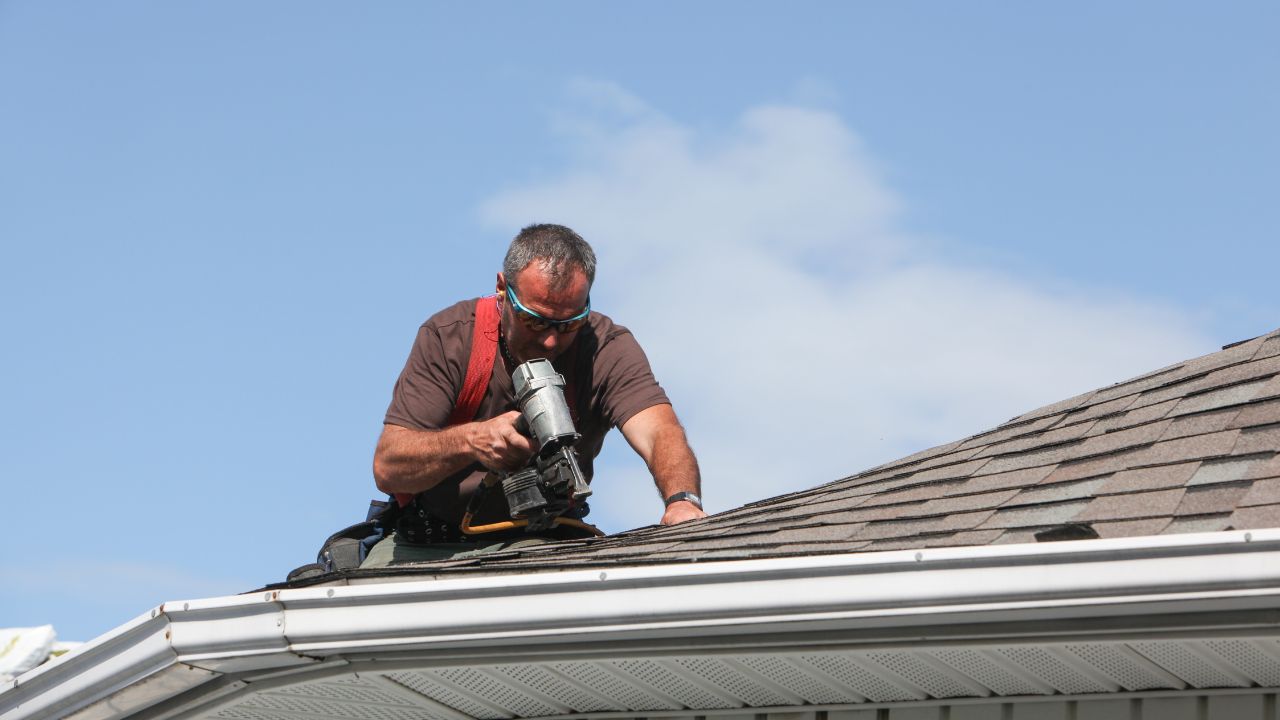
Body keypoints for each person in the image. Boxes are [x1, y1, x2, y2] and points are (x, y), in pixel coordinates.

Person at [361, 224, 704, 567]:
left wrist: (682, 501)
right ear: (501, 289)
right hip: (430, 544)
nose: (552, 341)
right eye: (535, 322)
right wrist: (471, 441)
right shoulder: (450, 338)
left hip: (545, 540)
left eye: (569, 323)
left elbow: (660, 431)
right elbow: (388, 467)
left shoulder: (606, 348)